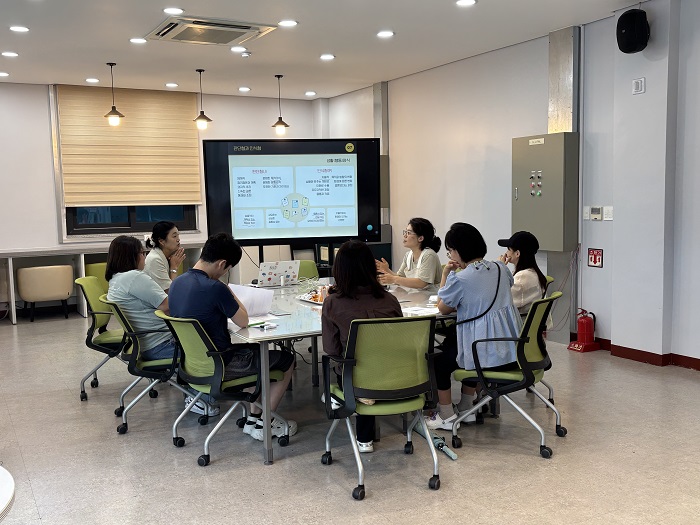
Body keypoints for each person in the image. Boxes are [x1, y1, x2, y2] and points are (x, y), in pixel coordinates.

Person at [168, 233, 296, 441]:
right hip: (222, 364)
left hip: (192, 364)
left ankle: (254, 419)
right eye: (228, 269)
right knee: (286, 359)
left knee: (255, 351)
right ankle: (266, 423)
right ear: (222, 264)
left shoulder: (178, 282)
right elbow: (243, 320)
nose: (225, 273)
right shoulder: (215, 287)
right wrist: (228, 290)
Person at [426, 223, 522, 430]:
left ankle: (446, 416)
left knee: (438, 361)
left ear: (458, 251)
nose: (450, 255)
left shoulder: (460, 279)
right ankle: (466, 407)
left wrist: (446, 274)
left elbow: (442, 308)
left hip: (483, 352)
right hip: (510, 347)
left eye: (450, 251)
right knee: (455, 342)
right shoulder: (501, 268)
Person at [322, 240, 403, 453]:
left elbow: (331, 350)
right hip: (397, 376)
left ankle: (344, 397)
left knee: (352, 365)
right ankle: (364, 436)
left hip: (358, 377)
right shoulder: (390, 300)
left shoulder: (332, 303)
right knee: (372, 363)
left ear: (339, 269)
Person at [105, 235, 178, 362]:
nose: (145, 256)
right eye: (142, 253)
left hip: (148, 345)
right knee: (212, 347)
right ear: (131, 256)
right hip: (162, 345)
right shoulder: (134, 277)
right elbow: (169, 307)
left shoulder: (116, 279)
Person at [376, 217, 442, 290]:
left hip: (431, 295)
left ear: (420, 238)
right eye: (405, 232)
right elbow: (400, 278)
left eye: (409, 233)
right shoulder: (408, 255)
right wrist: (387, 270)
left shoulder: (429, 255)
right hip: (416, 294)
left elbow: (421, 283)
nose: (405, 235)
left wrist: (394, 279)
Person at [497, 231, 548, 316]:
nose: (506, 253)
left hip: (519, 322)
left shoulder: (522, 277)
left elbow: (500, 301)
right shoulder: (532, 272)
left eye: (509, 249)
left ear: (517, 253)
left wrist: (499, 267)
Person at [143, 221, 187, 292]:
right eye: (174, 236)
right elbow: (171, 293)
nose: (178, 239)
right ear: (162, 241)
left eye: (178, 235)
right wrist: (174, 268)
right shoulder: (155, 259)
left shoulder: (166, 256)